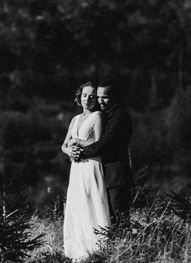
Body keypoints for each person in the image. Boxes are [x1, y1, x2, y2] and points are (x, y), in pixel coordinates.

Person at [71, 78, 133, 227]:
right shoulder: (107, 115)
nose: (101, 100)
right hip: (106, 175)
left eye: (104, 97)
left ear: (114, 96)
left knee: (119, 221)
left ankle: (124, 248)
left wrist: (80, 151)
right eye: (98, 97)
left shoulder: (120, 117)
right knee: (107, 220)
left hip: (117, 177)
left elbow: (104, 144)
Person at [61, 81, 112, 261]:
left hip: (91, 165)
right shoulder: (75, 119)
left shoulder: (98, 116)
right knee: (77, 204)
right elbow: (64, 144)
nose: (87, 99)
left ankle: (96, 247)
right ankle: (77, 248)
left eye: (91, 96)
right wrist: (69, 150)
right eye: (84, 95)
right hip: (76, 167)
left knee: (93, 202)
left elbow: (98, 143)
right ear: (79, 96)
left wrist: (78, 143)